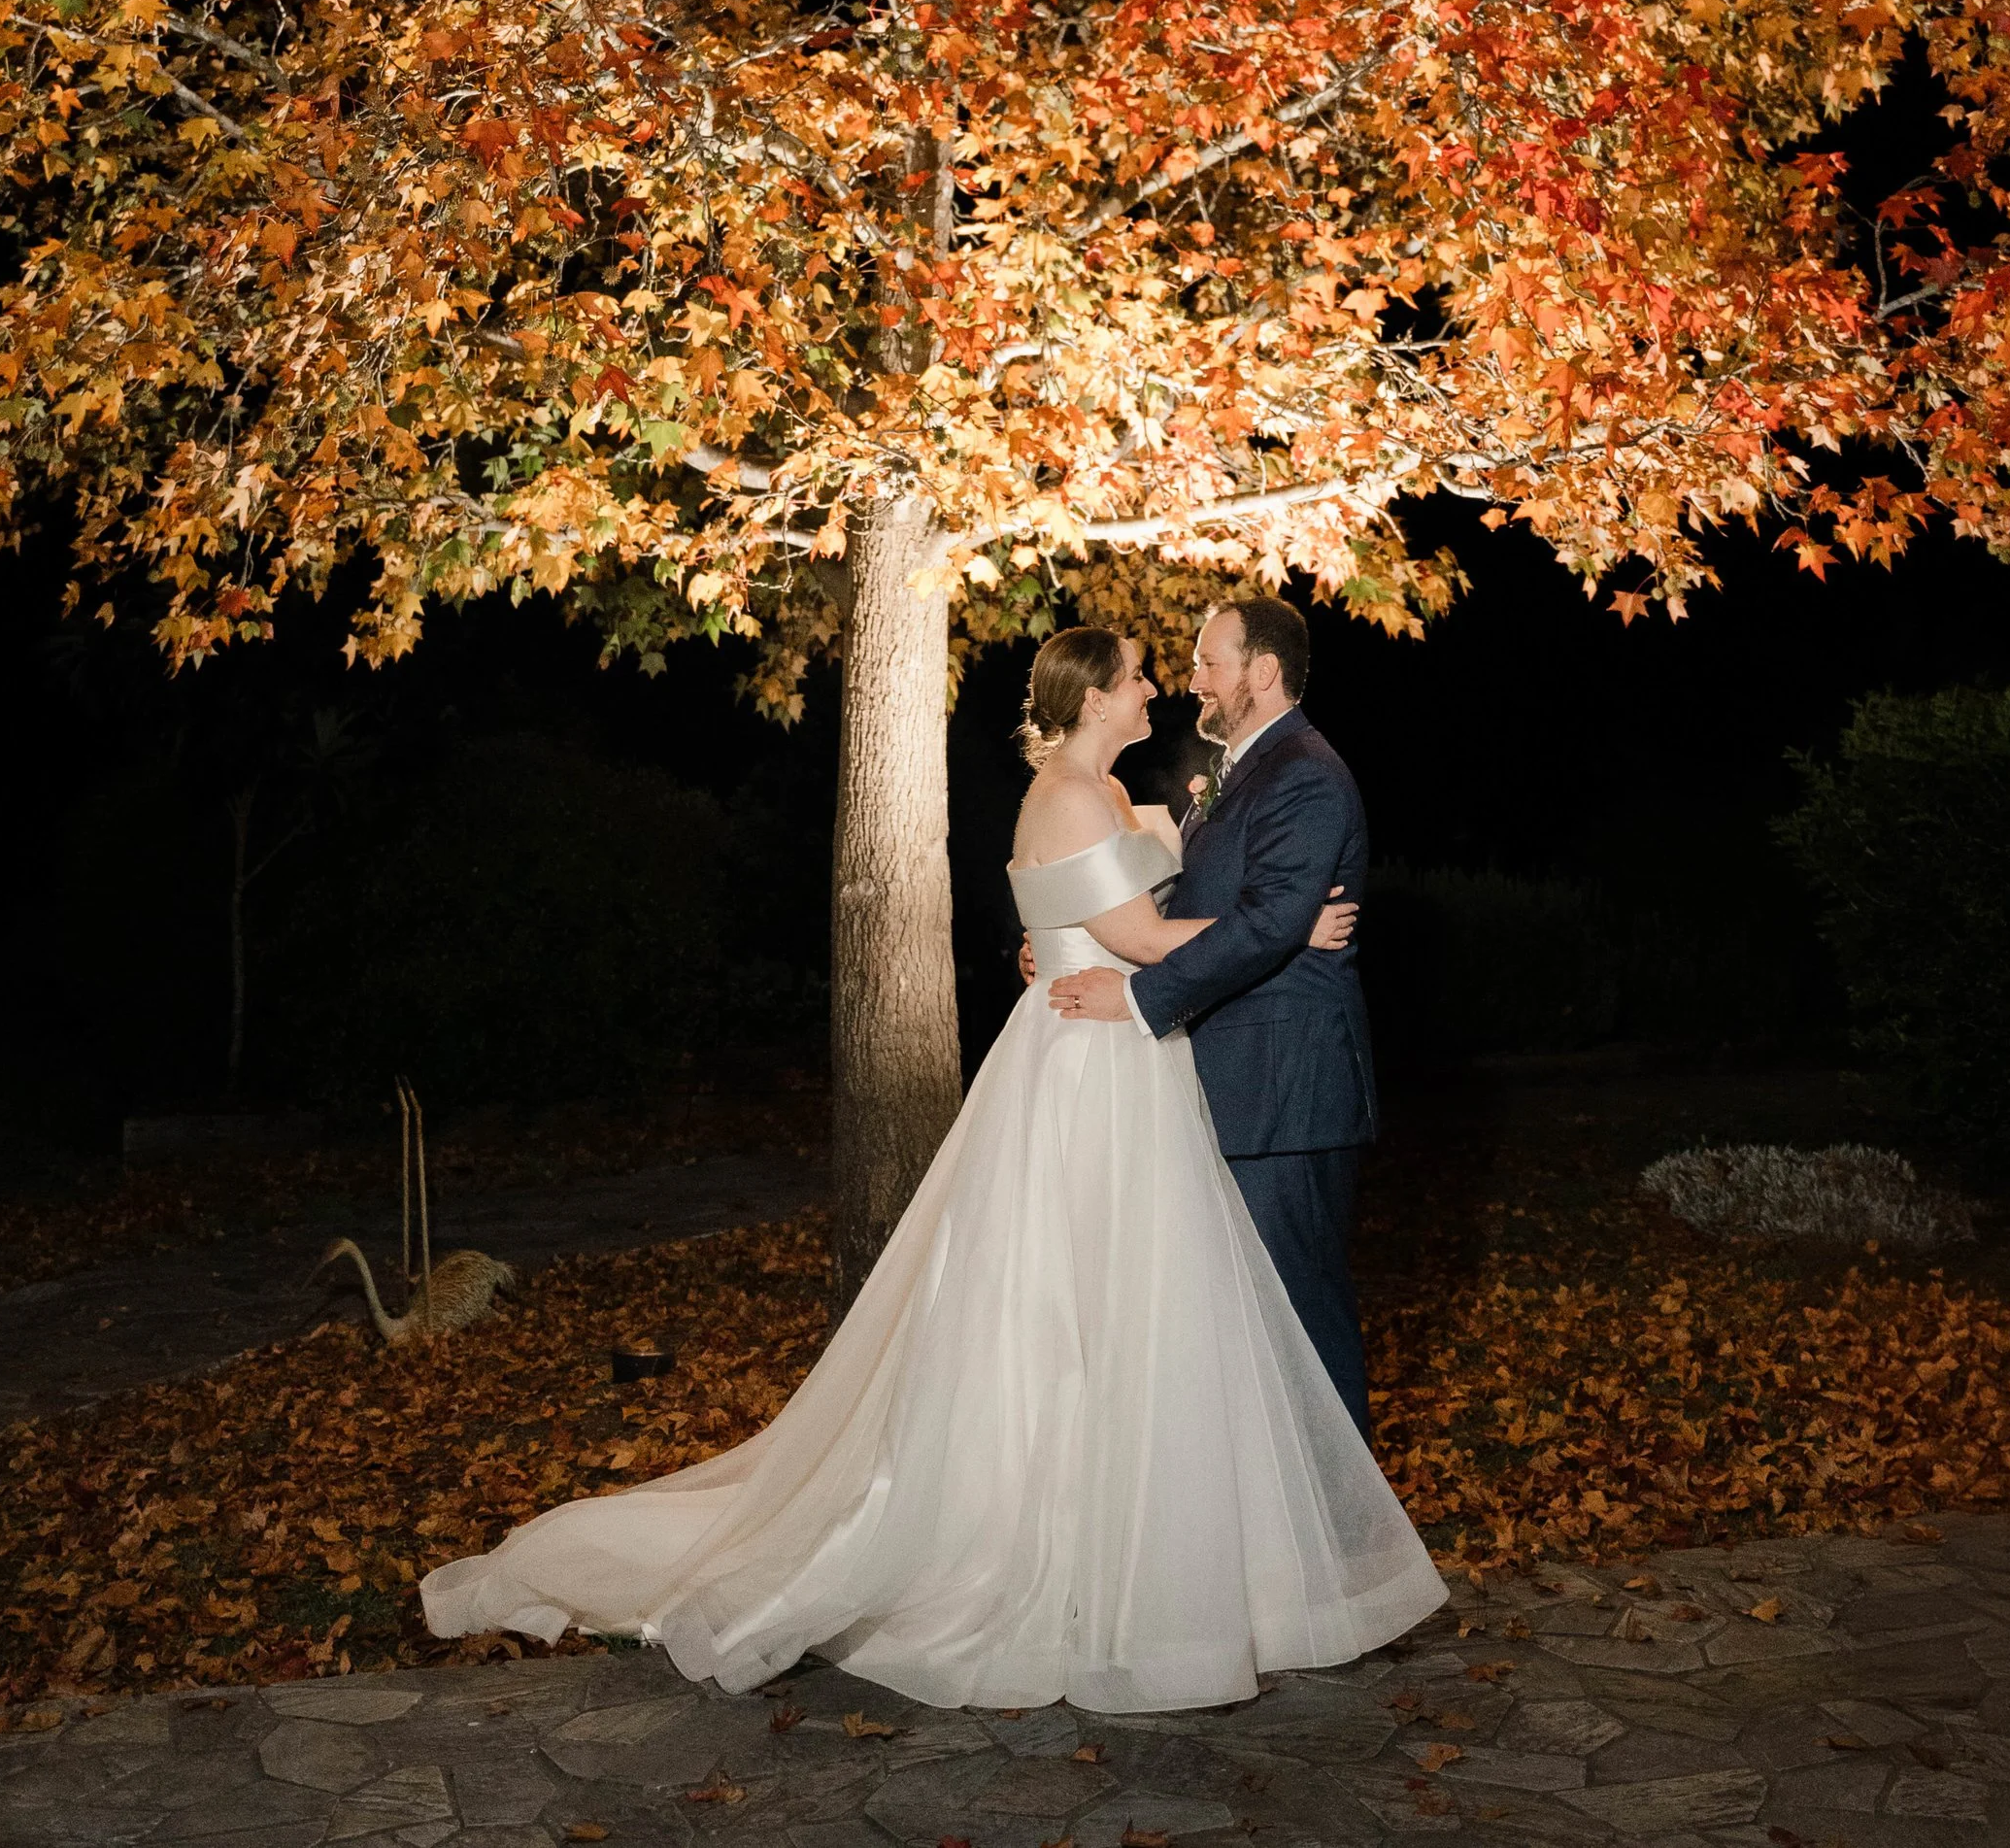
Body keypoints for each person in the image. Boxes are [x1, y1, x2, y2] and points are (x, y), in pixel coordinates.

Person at [419, 625, 1440, 1712]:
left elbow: (1140, 912)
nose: (1165, 684)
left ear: (1260, 670)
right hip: (1099, 1066)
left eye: (1186, 663)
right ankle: (1105, 1558)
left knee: (1180, 1317)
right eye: (1144, 672)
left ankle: (1249, 1559)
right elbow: (1142, 934)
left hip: (1157, 1065)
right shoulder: (1078, 792)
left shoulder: (1170, 785)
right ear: (1097, 698)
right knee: (1086, 1313)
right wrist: (1268, 933)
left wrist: (1228, 933)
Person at [1045, 595, 1378, 1429]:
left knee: (1300, 1321)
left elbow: (1267, 922)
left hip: (1285, 1092)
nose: (1189, 678)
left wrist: (1132, 994)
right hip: (1233, 1085)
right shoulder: (1236, 769)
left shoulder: (1303, 771)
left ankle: (1346, 1541)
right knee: (1247, 1330)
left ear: (1262, 674)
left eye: (1208, 663)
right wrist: (1067, 944)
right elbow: (1186, 906)